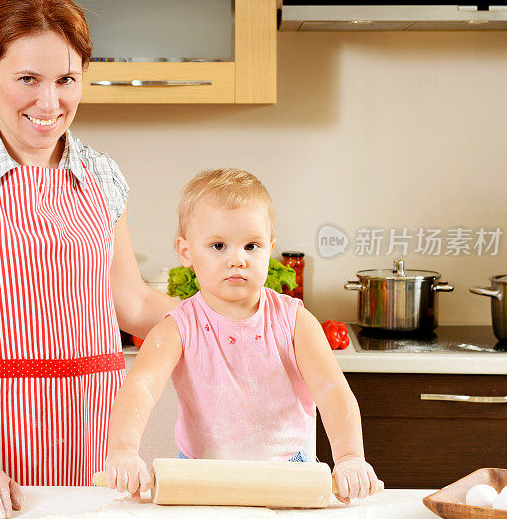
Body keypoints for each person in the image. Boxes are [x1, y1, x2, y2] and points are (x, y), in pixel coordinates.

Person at [0, 0, 176, 519]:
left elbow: (131, 304)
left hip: (85, 450)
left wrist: (241, 315)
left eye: (66, 80)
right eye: (28, 79)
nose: (50, 103)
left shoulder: (102, 175)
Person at [103, 169, 380, 504]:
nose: (238, 259)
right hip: (199, 476)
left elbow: (333, 390)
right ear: (186, 251)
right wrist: (122, 451)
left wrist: (350, 457)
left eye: (252, 245)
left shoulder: (294, 321)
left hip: (288, 474)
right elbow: (140, 386)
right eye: (218, 245)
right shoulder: (178, 326)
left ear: (270, 248)